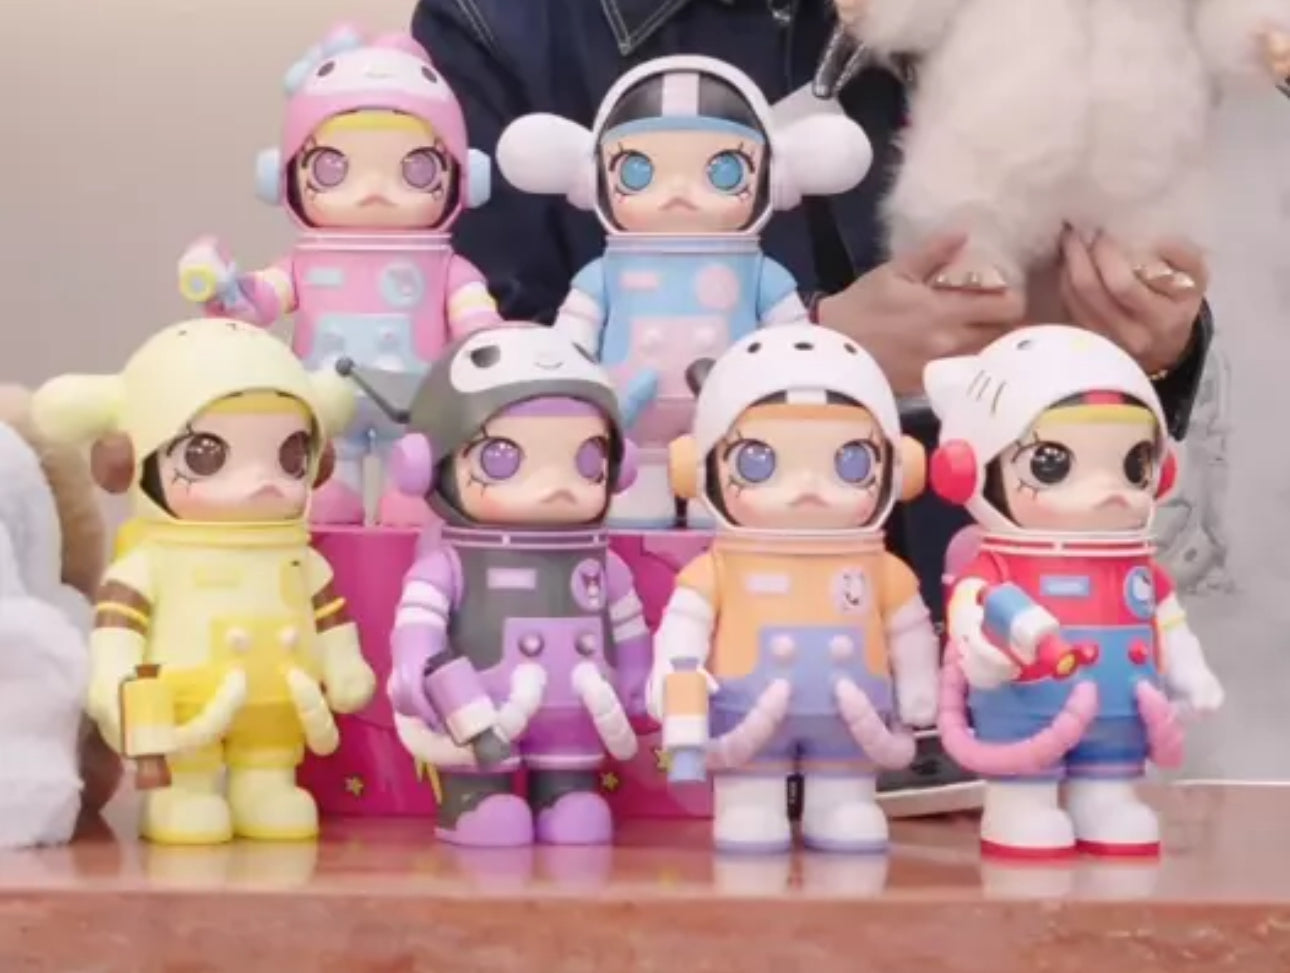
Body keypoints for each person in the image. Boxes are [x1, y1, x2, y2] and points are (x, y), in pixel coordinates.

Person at [410, 0, 1213, 814]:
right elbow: (469, 378)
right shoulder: (503, 26)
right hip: (652, 712)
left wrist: (1140, 340)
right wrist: (807, 353)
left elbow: (1084, 253)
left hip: (1002, 692)